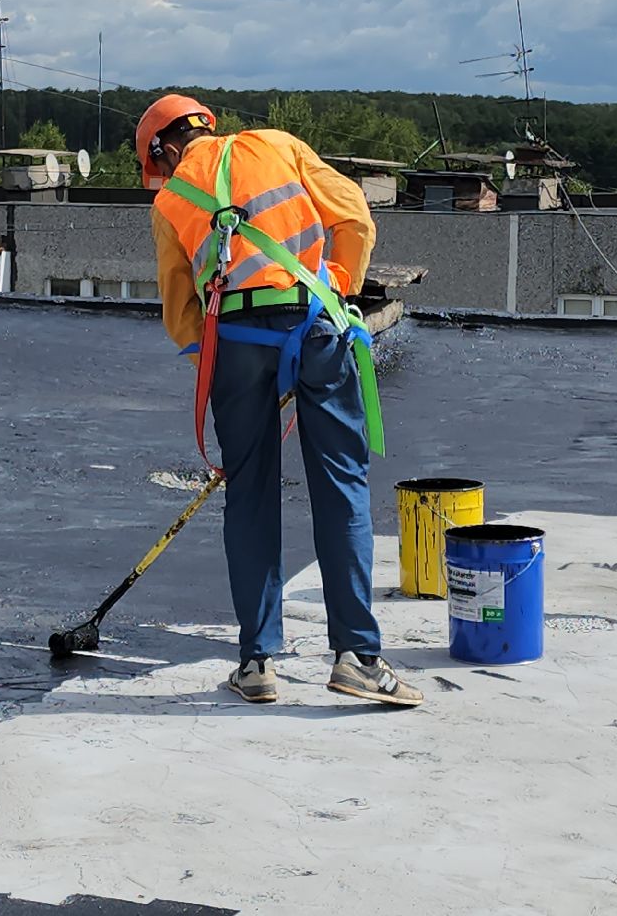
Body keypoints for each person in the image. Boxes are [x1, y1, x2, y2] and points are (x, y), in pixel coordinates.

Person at [141, 94, 422, 708]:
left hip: (235, 341)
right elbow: (355, 220)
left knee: (250, 494)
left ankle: (257, 662)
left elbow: (180, 311)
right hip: (316, 327)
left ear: (164, 149)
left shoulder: (170, 200)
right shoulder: (277, 145)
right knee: (340, 483)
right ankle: (358, 659)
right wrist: (333, 295)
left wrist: (226, 360)